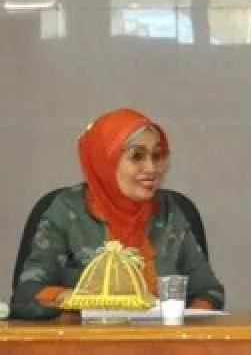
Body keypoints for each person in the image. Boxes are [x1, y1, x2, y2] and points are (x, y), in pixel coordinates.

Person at [10, 108, 225, 319]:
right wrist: (85, 301)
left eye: (157, 156)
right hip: (85, 339)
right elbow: (28, 291)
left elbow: (209, 291)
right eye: (137, 156)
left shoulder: (169, 211)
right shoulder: (67, 210)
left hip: (160, 339)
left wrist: (187, 325)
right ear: (106, 160)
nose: (151, 168)